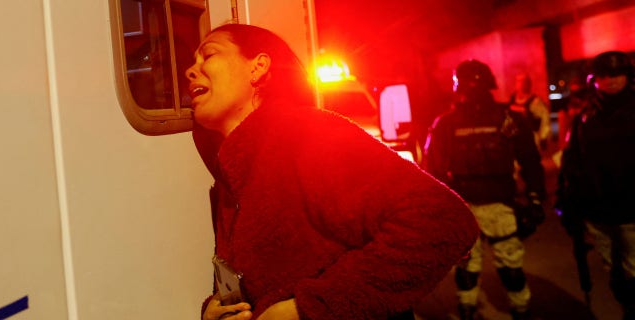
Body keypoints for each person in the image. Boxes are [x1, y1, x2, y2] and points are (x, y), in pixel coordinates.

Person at [185, 23, 480, 320]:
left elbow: (443, 220)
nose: (191, 70)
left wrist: (308, 308)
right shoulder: (229, 175)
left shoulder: (304, 134)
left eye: (208, 55)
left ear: (258, 67)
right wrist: (219, 307)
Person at [423, 60, 546, 320]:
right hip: (464, 206)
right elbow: (431, 169)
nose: (473, 93)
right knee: (470, 265)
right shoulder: (447, 123)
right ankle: (474, 308)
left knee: (507, 266)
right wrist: (434, 210)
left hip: (497, 203)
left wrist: (536, 197)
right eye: (469, 88)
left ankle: (518, 308)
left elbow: (529, 160)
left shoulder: (507, 119)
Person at [556, 50, 635, 320]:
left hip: (632, 212)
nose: (610, 80)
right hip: (598, 212)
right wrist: (565, 201)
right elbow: (571, 163)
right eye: (603, 75)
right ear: (594, 80)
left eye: (616, 74)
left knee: (633, 274)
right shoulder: (584, 119)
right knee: (614, 274)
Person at [509, 72, 551, 152]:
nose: (520, 84)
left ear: (528, 84)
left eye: (523, 81)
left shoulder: (535, 102)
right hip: (515, 139)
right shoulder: (512, 100)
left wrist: (543, 137)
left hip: (531, 139)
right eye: (518, 81)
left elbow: (545, 120)